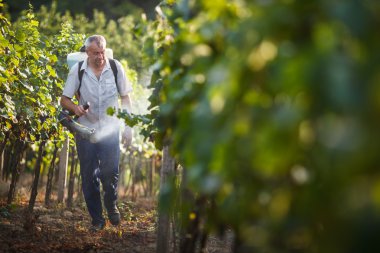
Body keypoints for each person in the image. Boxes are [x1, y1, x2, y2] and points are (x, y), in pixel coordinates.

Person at [60, 35, 132, 231]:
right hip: (86, 131)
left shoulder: (115, 68)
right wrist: (75, 109)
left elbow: (125, 98)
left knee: (111, 173)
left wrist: (128, 127)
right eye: (95, 53)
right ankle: (97, 220)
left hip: (110, 129)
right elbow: (64, 99)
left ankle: (111, 204)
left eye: (102, 52)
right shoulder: (78, 70)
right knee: (89, 175)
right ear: (87, 53)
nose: (100, 57)